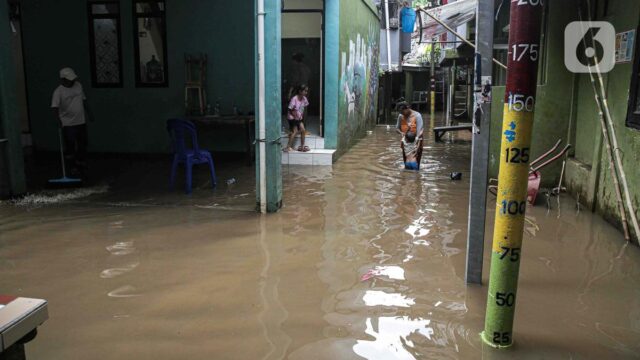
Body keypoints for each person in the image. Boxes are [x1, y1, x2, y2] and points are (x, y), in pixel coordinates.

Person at [51, 67, 91, 175]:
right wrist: (58, 120)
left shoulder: (78, 86)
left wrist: (89, 113)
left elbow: (84, 100)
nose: (72, 81)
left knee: (83, 143)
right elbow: (54, 107)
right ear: (63, 79)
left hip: (81, 121)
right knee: (70, 145)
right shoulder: (58, 92)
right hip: (68, 123)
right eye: (69, 80)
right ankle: (72, 166)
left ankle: (80, 162)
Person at [285, 84, 310, 152]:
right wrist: (296, 116)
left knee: (303, 130)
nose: (306, 92)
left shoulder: (304, 99)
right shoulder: (294, 99)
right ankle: (288, 147)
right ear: (300, 91)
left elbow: (304, 109)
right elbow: (290, 109)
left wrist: (302, 118)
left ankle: (302, 146)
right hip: (292, 117)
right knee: (295, 131)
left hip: (298, 118)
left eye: (306, 91)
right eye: (305, 91)